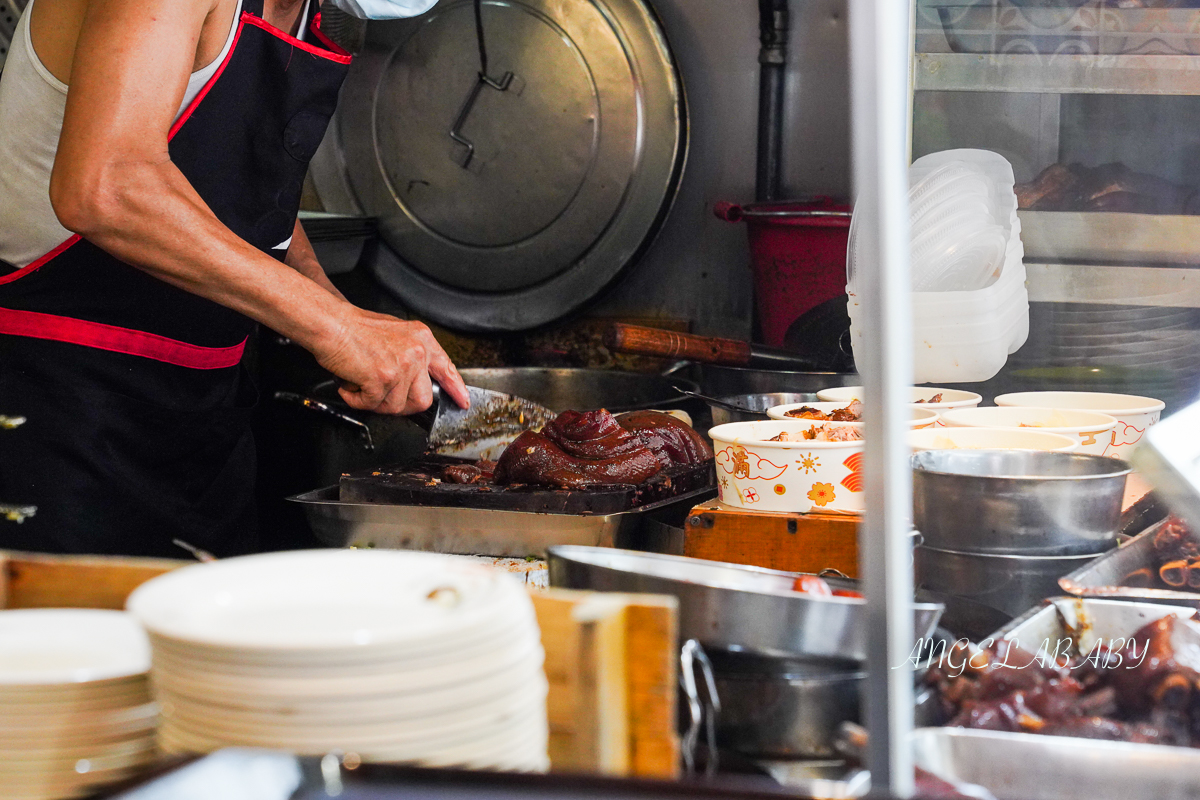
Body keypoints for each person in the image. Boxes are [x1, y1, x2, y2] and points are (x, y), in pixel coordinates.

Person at [0, 0, 469, 557]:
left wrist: (343, 312)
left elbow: (234, 180)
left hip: (207, 416)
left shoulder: (305, 9)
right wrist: (337, 329)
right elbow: (107, 186)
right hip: (59, 403)